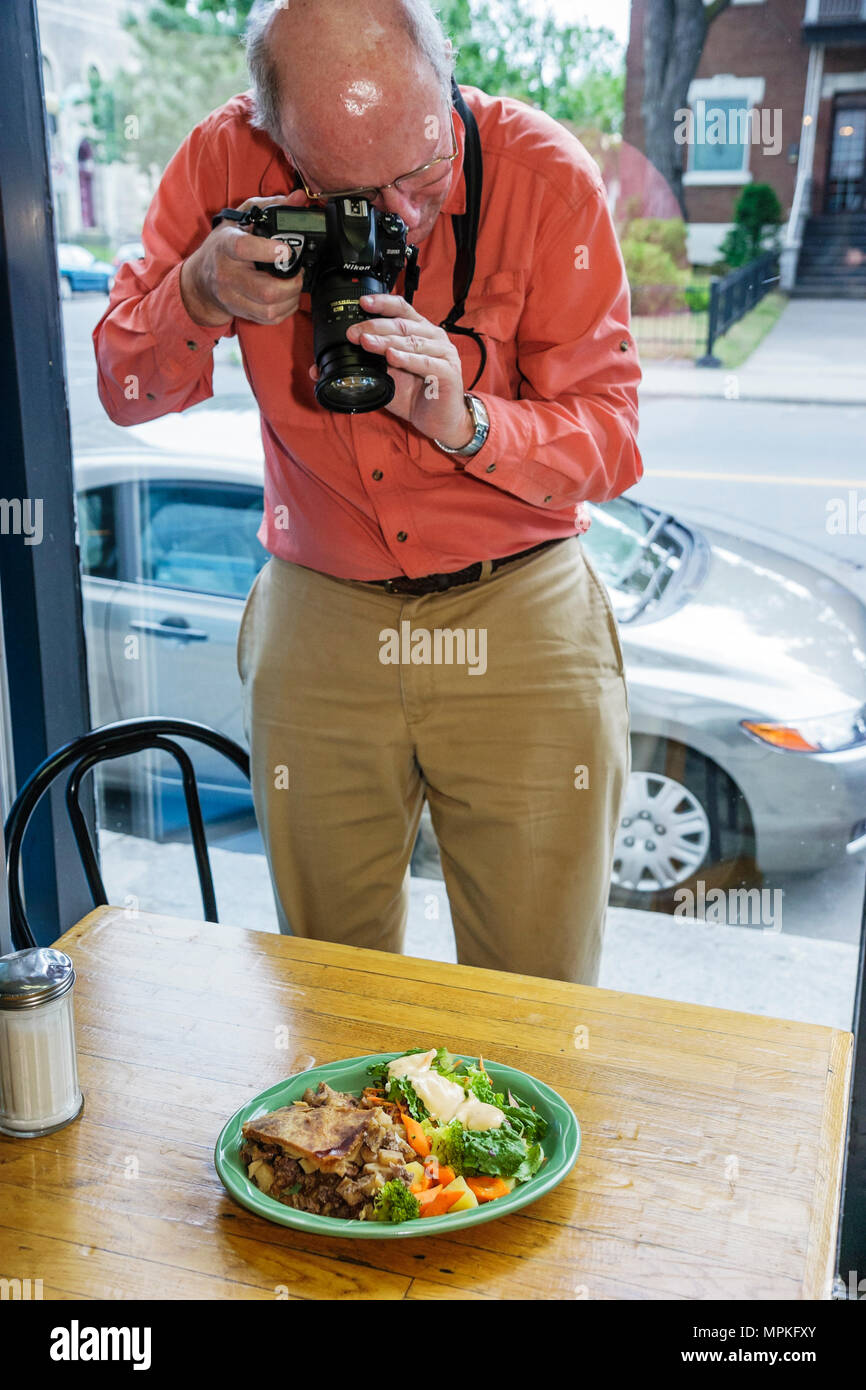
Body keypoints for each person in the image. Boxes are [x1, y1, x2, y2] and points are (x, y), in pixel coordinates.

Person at [93, 0, 643, 984]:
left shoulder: (545, 175)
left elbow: (610, 440)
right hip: (320, 610)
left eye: (421, 169)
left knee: (531, 994)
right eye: (348, 190)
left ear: (445, 76)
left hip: (518, 608)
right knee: (328, 987)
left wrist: (469, 422)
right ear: (274, 134)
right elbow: (125, 389)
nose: (397, 214)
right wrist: (197, 292)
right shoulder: (223, 160)